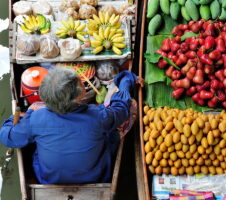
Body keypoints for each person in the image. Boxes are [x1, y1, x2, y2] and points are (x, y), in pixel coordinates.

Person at [0, 67, 137, 184]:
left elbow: (7, 136)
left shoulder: (35, 118)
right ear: (81, 94)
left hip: (49, 179)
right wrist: (125, 79)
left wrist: (18, 118)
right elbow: (122, 106)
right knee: (130, 107)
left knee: (34, 114)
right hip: (97, 177)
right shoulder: (98, 115)